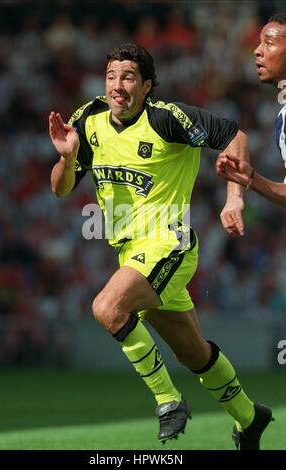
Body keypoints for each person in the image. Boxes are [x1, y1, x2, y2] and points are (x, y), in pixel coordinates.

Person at [49, 43, 273, 450]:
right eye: (112, 76)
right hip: (131, 251)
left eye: (129, 77)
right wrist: (66, 158)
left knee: (107, 307)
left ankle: (169, 402)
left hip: (170, 240)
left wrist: (234, 198)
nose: (118, 86)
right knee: (194, 354)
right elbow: (62, 189)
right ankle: (249, 416)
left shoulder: (168, 119)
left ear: (147, 85)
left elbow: (233, 135)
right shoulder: (89, 119)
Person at [216, 12, 286, 207]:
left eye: (269, 44)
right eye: (259, 43)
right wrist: (250, 178)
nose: (257, 51)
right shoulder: (283, 115)